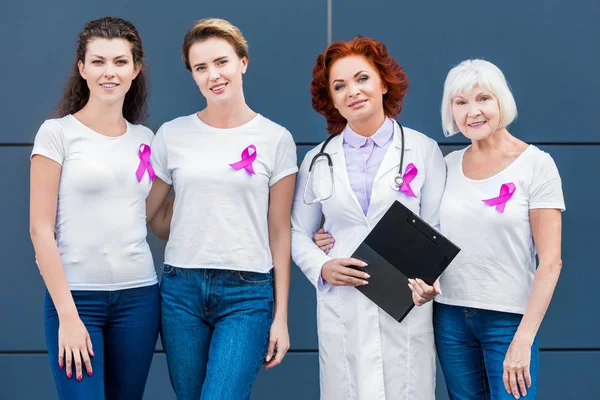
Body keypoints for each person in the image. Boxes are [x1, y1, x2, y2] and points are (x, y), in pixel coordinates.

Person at [144, 18, 297, 399]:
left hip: (247, 294)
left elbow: (279, 231)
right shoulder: (172, 134)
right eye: (201, 67)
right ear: (193, 76)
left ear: (242, 62)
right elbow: (151, 216)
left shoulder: (276, 139)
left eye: (221, 62)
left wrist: (281, 317)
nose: (213, 75)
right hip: (181, 291)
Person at [291, 36, 446, 400]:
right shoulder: (316, 160)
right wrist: (321, 267)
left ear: (382, 81)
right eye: (339, 86)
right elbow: (297, 231)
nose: (353, 92)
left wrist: (430, 282)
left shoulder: (423, 151)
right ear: (330, 98)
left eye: (362, 78)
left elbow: (437, 230)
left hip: (405, 305)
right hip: (343, 306)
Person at [29, 17, 163, 400]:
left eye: (120, 62)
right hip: (76, 300)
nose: (110, 72)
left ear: (135, 69)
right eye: (99, 61)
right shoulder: (57, 134)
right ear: (82, 68)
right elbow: (40, 230)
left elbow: (156, 219)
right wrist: (68, 317)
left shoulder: (146, 140)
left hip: (139, 298)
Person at [432, 59, 565, 400]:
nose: (473, 111)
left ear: (501, 102)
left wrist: (524, 338)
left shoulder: (536, 165)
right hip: (449, 318)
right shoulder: (445, 167)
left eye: (483, 99)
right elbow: (419, 234)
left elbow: (551, 263)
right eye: (460, 103)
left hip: (509, 321)